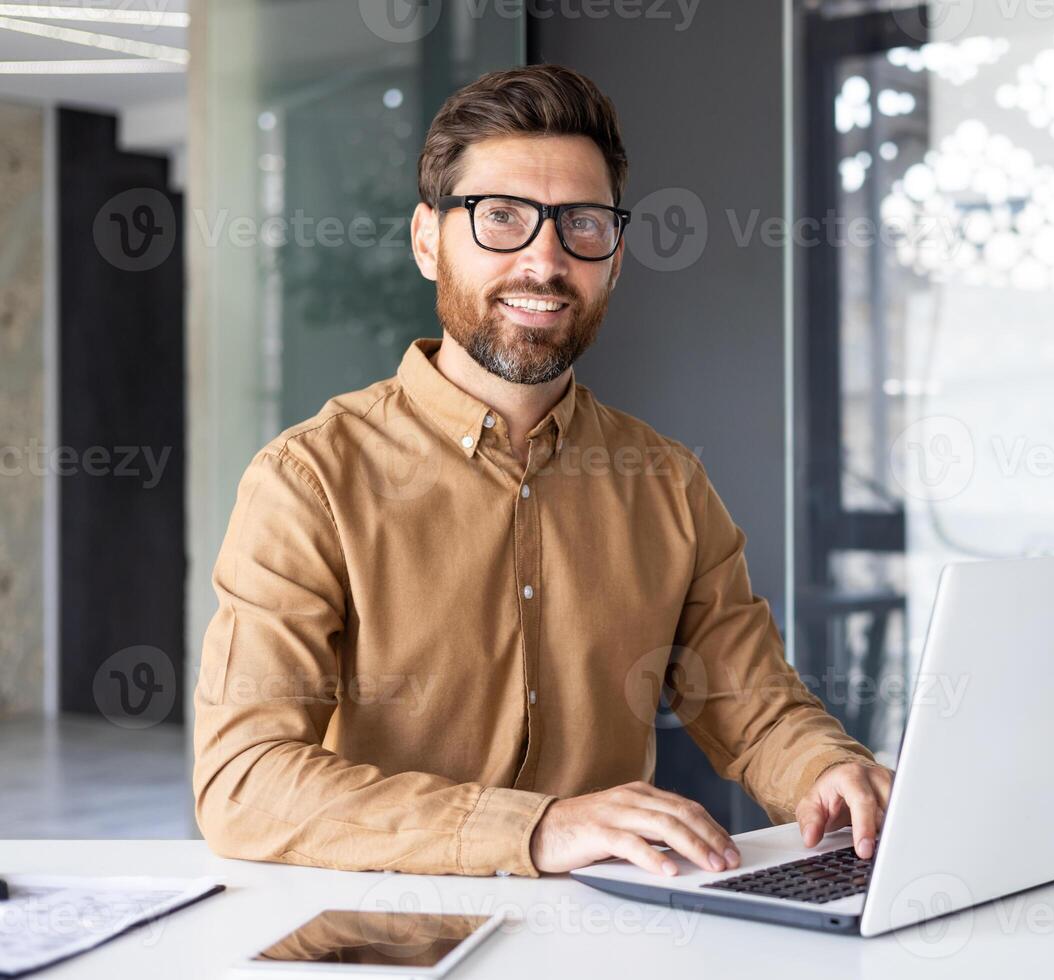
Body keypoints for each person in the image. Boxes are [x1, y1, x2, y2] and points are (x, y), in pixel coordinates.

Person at [192, 64, 891, 879]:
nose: (545, 259)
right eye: (501, 218)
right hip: (390, 944)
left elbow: (754, 706)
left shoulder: (666, 482)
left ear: (616, 257)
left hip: (606, 941)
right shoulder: (308, 481)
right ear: (428, 240)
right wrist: (535, 828)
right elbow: (243, 780)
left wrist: (826, 768)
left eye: (582, 224)